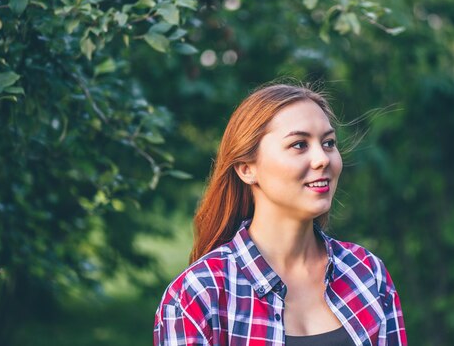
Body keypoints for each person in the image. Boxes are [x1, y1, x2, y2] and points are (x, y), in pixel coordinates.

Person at [154, 83, 407, 345]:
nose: (322, 158)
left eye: (329, 143)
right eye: (299, 145)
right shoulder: (198, 294)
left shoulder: (366, 273)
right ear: (246, 169)